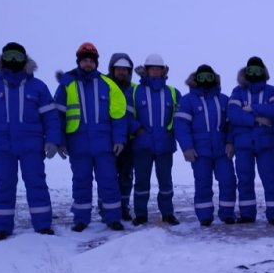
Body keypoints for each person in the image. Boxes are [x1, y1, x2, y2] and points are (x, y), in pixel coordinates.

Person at [0, 42, 61, 240]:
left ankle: (43, 226)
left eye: (18, 57)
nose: (13, 61)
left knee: (36, 184)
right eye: (9, 56)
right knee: (4, 185)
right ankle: (2, 228)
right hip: (1, 146)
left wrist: (53, 140)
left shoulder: (38, 87)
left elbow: (51, 117)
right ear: (2, 59)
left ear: (25, 60)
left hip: (32, 146)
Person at [54, 42, 127, 232]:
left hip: (104, 146)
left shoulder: (108, 84)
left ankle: (113, 219)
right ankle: (81, 219)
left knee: (109, 182)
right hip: (78, 146)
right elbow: (57, 115)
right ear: (79, 62)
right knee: (81, 182)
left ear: (96, 63)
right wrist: (60, 141)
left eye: (91, 61)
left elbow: (119, 116)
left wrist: (119, 140)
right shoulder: (67, 85)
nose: (88, 64)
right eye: (84, 60)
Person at [174, 64, 237, 226]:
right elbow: (181, 125)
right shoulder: (187, 101)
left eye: (209, 77)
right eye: (202, 78)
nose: (206, 81)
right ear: (196, 80)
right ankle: (205, 216)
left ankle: (227, 213)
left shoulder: (223, 99)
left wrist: (230, 142)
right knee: (203, 183)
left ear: (214, 79)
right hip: (199, 152)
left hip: (222, 150)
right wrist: (187, 147)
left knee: (228, 180)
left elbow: (232, 124)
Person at [228, 56, 274, 226]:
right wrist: (257, 119)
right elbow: (233, 114)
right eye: (250, 71)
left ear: (263, 72)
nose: (254, 74)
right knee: (244, 179)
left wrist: (252, 108)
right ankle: (247, 214)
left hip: (265, 143)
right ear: (245, 72)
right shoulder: (238, 92)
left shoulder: (272, 91)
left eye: (257, 71)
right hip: (243, 144)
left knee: (271, 179)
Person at [128, 53, 181, 226]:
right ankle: (141, 214)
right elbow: (126, 115)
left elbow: (179, 116)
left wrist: (171, 130)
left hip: (165, 145)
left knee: (165, 182)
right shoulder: (134, 91)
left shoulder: (172, 92)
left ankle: (167, 213)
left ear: (163, 71)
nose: (155, 72)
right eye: (152, 69)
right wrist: (138, 129)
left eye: (158, 69)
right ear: (146, 70)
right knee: (141, 182)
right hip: (142, 145)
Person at [107, 52, 136, 221]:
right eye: (118, 69)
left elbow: (136, 114)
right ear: (112, 69)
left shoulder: (134, 90)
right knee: (108, 178)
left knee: (126, 177)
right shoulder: (104, 86)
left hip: (129, 142)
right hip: (107, 141)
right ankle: (107, 209)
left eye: (125, 69)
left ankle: (123, 207)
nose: (122, 72)